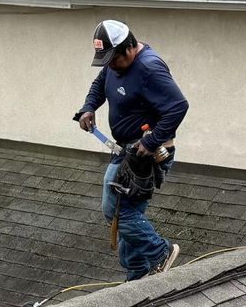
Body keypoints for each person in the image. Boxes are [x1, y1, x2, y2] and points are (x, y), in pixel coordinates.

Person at [73, 19, 188, 278]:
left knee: (117, 210)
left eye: (113, 59)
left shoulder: (149, 68)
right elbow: (99, 84)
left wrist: (150, 141)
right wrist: (89, 107)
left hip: (146, 156)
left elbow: (178, 106)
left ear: (128, 48)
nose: (110, 64)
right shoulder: (114, 65)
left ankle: (161, 252)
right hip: (128, 151)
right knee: (129, 212)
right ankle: (138, 273)